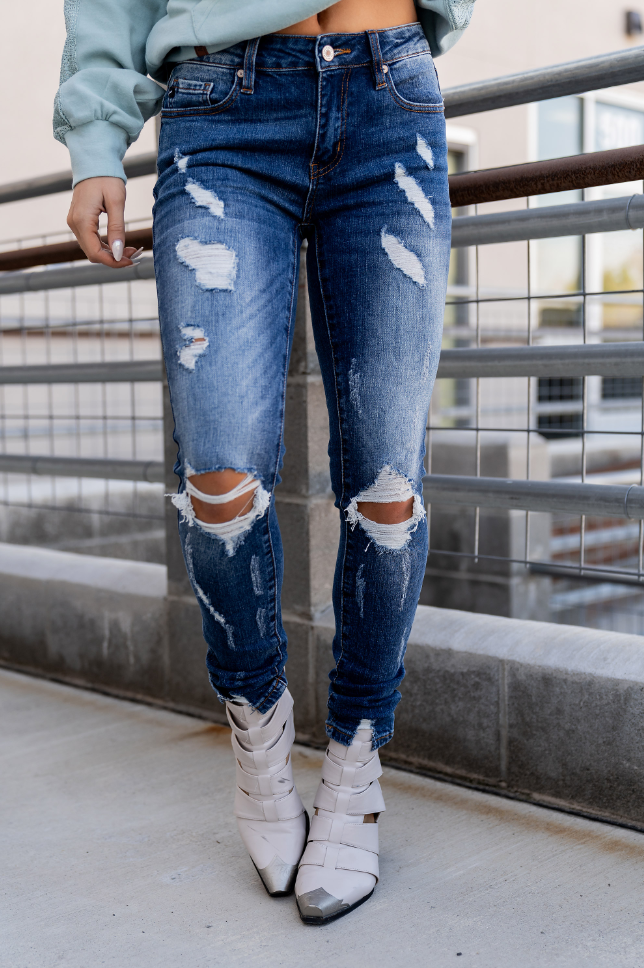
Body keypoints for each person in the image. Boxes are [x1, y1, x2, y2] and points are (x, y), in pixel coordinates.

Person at [56, 0, 476, 925]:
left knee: (388, 487)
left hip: (391, 96)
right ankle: (259, 740)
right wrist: (95, 142)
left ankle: (356, 762)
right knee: (218, 476)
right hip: (221, 111)